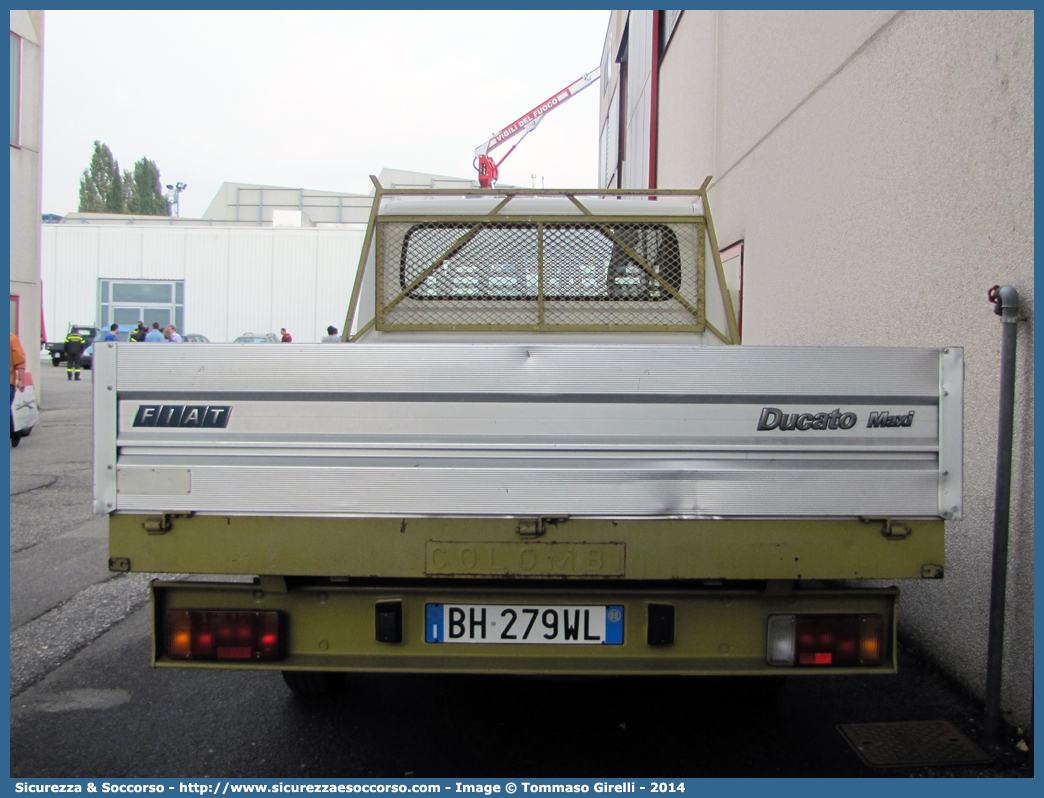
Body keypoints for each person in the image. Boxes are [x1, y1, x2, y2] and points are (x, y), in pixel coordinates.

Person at [10, 332, 26, 445]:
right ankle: (12, 432)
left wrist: (21, 380)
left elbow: (20, 362)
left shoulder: (11, 339)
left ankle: (12, 433)